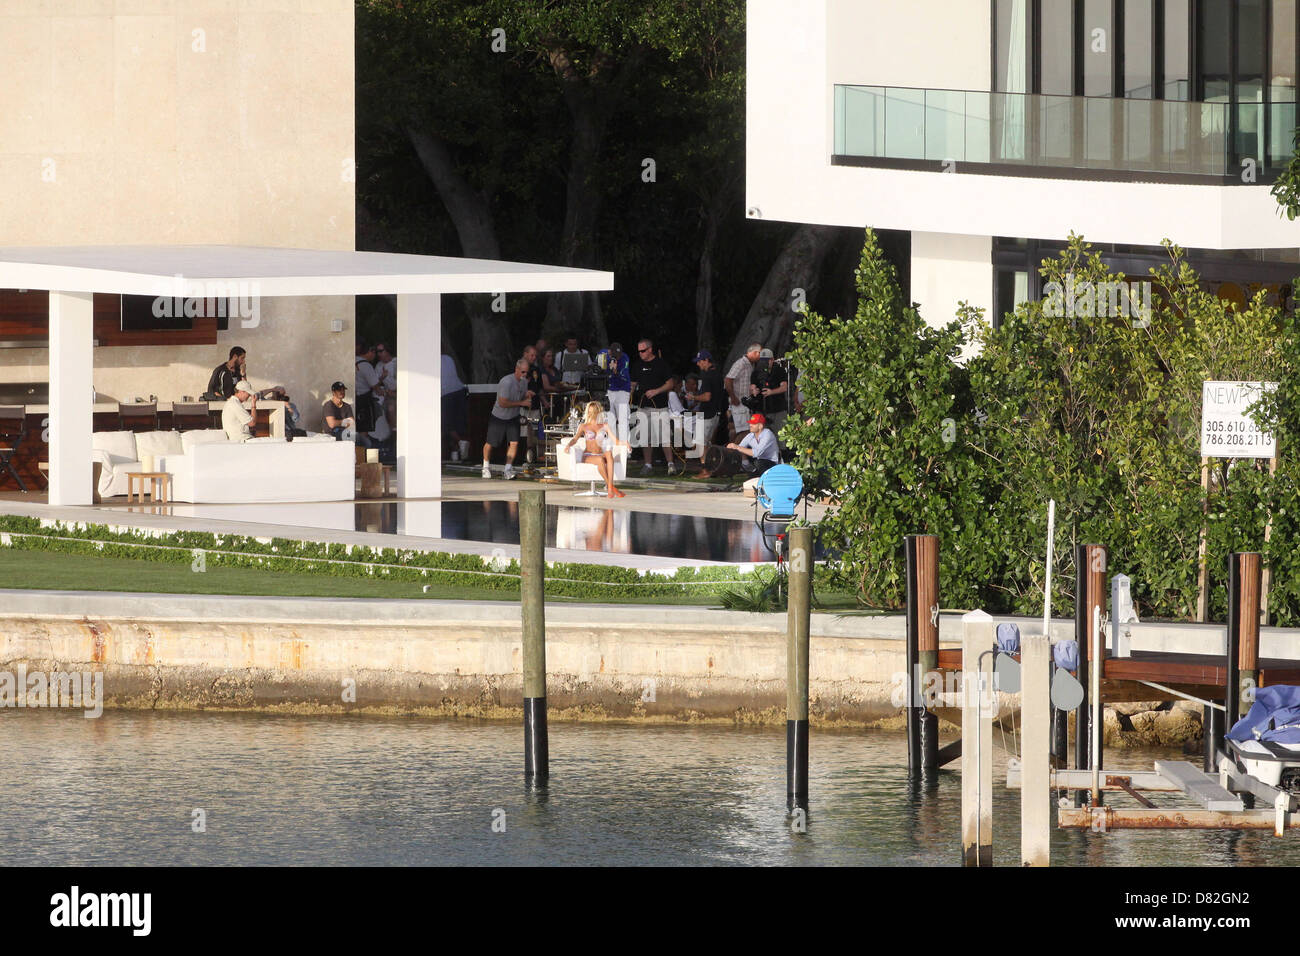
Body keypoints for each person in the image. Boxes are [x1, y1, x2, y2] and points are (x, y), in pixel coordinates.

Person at [630, 337, 680, 475]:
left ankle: (671, 465)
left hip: (659, 407)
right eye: (639, 351)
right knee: (645, 438)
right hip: (643, 407)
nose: (641, 353)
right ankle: (648, 465)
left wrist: (656, 391)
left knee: (664, 437)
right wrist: (630, 392)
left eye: (643, 351)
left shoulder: (661, 364)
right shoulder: (637, 365)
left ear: (650, 349)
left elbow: (670, 384)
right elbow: (633, 384)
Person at [563, 401, 628, 499]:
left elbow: (615, 440)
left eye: (593, 412)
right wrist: (568, 445)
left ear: (598, 412)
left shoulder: (604, 425)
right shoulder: (583, 426)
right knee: (600, 460)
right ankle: (611, 488)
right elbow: (575, 439)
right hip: (588, 455)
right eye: (589, 412)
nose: (591, 414)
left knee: (609, 454)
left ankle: (610, 487)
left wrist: (625, 443)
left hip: (599, 454)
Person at [482, 358, 534, 480]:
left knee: (514, 442)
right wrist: (522, 403)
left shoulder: (524, 382)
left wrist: (527, 395)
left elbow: (521, 395)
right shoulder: (506, 382)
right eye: (522, 372)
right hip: (499, 416)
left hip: (513, 416)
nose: (525, 375)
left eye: (527, 372)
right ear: (516, 369)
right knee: (491, 443)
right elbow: (503, 403)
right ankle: (485, 466)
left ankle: (508, 468)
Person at [699, 412, 779, 481]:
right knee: (751, 475)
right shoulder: (751, 435)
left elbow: (757, 453)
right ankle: (754, 474)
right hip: (759, 462)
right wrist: (729, 450)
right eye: (750, 423)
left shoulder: (767, 434)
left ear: (760, 426)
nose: (750, 425)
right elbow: (738, 448)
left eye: (753, 424)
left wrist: (737, 447)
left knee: (758, 462)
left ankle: (766, 478)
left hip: (771, 463)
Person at [686, 349, 725, 450]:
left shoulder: (707, 376)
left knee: (699, 443)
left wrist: (693, 397)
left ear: (706, 360)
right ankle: (709, 464)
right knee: (707, 442)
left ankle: (705, 465)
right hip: (716, 412)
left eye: (700, 361)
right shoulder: (717, 373)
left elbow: (707, 397)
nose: (698, 364)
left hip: (707, 413)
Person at [725, 342, 763, 440]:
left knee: (739, 431)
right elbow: (728, 379)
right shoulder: (741, 363)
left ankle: (736, 453)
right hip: (738, 403)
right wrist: (733, 397)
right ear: (755, 353)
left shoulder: (750, 365)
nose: (761, 356)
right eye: (760, 353)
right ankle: (735, 451)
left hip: (744, 403)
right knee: (744, 432)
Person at [599, 342, 631, 440]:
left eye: (618, 355)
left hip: (622, 390)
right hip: (609, 390)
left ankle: (624, 448)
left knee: (623, 419)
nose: (616, 357)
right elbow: (598, 367)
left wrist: (615, 370)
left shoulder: (624, 358)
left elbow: (624, 376)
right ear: (609, 352)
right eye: (614, 355)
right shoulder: (603, 354)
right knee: (609, 419)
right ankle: (610, 447)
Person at [441, 353, 469, 459]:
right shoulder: (448, 358)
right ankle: (456, 452)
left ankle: (460, 443)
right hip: (459, 391)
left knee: (446, 424)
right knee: (457, 423)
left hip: (446, 394)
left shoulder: (432, 362)